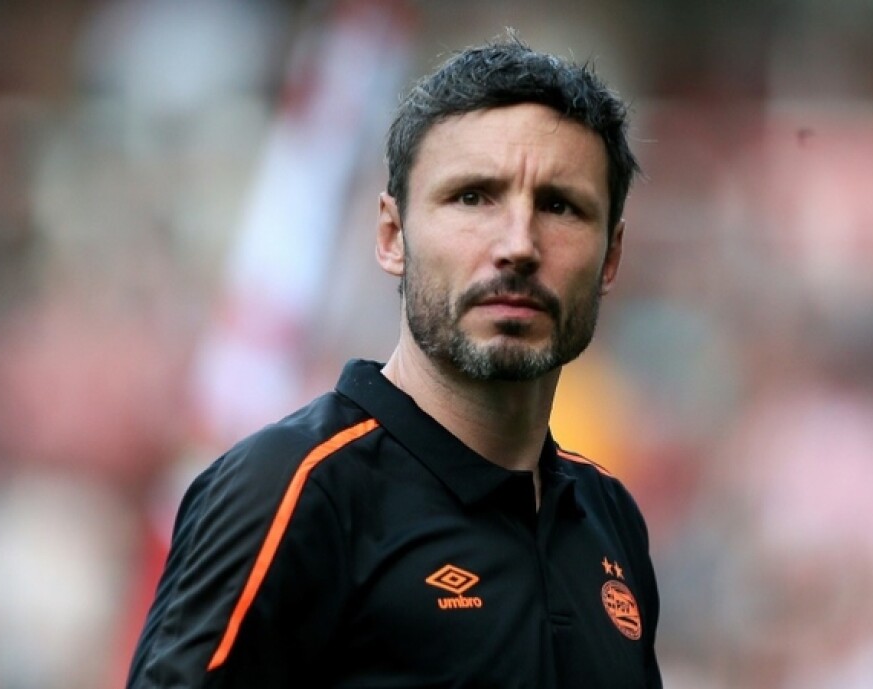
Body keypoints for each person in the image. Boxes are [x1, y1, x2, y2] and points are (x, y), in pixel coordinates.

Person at [127, 35, 661, 688]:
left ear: (610, 257)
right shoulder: (291, 489)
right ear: (391, 236)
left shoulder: (610, 519)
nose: (519, 245)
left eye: (559, 206)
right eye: (473, 197)